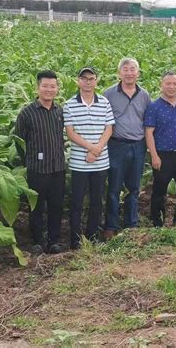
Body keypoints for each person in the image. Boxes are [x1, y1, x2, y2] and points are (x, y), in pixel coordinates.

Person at [15, 70, 65, 255]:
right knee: (36, 207)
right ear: (37, 87)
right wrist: (30, 160)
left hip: (58, 167)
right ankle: (37, 241)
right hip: (37, 169)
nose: (49, 90)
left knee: (56, 206)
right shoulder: (27, 113)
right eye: (45, 86)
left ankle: (54, 241)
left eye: (53, 86)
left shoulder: (59, 111)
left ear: (57, 88)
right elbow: (19, 142)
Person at [64, 67, 115, 249]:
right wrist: (91, 148)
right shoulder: (69, 105)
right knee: (76, 202)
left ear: (96, 81)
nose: (87, 82)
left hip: (100, 162)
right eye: (84, 78)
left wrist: (97, 150)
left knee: (96, 201)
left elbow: (109, 128)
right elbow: (71, 133)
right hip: (79, 163)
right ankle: (76, 240)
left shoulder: (104, 102)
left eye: (91, 78)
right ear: (78, 81)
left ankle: (92, 237)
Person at [103, 58, 151, 239]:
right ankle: (111, 225)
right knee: (114, 187)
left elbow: (148, 122)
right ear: (119, 73)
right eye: (125, 69)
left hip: (138, 146)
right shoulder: (109, 94)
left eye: (133, 69)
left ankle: (131, 224)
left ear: (138, 73)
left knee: (134, 188)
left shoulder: (144, 95)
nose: (129, 73)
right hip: (117, 145)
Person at [144, 71, 176, 227]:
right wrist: (154, 156)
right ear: (161, 85)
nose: (171, 87)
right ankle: (157, 220)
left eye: (175, 84)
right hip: (162, 155)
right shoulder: (154, 107)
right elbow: (149, 132)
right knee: (159, 189)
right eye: (168, 83)